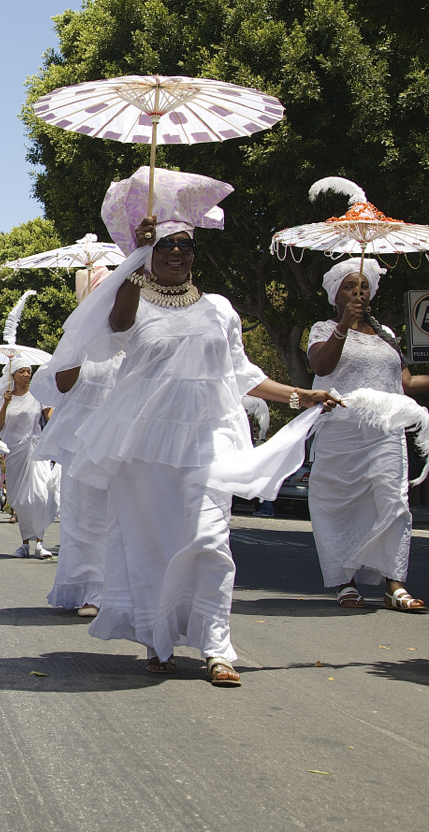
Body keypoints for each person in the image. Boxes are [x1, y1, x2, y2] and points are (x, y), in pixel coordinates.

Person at [60, 167, 340, 687]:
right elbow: (116, 327)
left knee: (211, 539)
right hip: (145, 447)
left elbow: (242, 375)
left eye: (184, 245)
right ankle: (158, 639)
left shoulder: (220, 309)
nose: (176, 253)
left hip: (210, 438)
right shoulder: (134, 300)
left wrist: (301, 394)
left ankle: (216, 646)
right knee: (153, 546)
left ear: (194, 252)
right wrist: (134, 258)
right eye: (165, 245)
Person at [307, 259, 429, 611]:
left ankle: (394, 583)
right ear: (336, 295)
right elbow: (321, 366)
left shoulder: (387, 334)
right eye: (349, 286)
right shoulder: (322, 328)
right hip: (341, 430)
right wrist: (344, 325)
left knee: (393, 500)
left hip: (386, 429)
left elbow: (404, 384)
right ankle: (345, 581)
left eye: (362, 286)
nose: (358, 291)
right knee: (339, 505)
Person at [33, 265, 120, 616]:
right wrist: (79, 341)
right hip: (81, 440)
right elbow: (62, 384)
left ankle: (120, 591)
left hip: (125, 437)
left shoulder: (133, 335)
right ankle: (90, 591)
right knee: (85, 517)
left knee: (122, 516)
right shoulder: (78, 338)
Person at [0, 364, 57, 558]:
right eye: (22, 371)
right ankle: (24, 544)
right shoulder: (4, 398)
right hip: (14, 453)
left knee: (40, 495)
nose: (27, 374)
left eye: (29, 371)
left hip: (36, 450)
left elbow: (51, 419)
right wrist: (5, 403)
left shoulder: (39, 395)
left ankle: (40, 543)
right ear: (12, 375)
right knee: (20, 499)